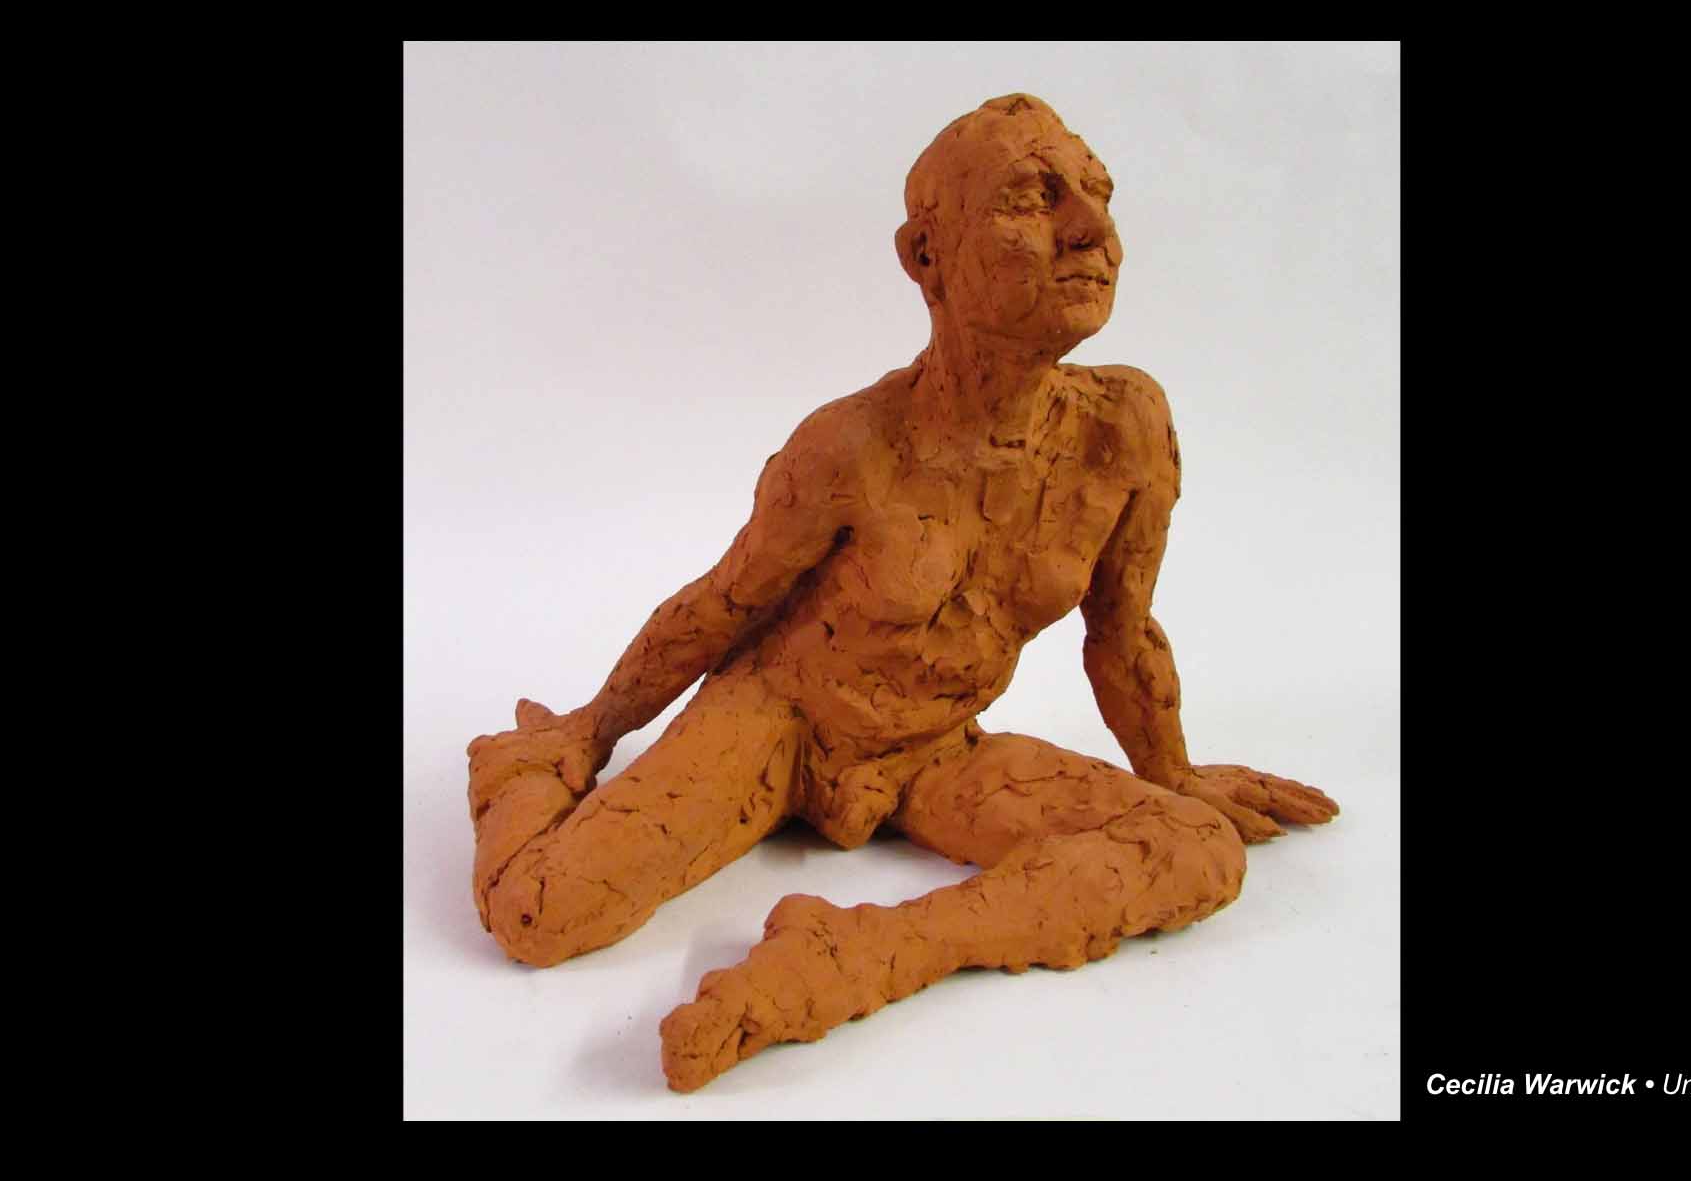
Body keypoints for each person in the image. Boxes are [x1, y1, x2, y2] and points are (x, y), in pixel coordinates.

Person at [465, 93, 1338, 1092]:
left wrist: (1174, 775)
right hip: (781, 728)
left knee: (1195, 848)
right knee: (540, 913)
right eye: (1033, 198)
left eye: (1098, 195)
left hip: (935, 751)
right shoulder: (853, 446)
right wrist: (587, 731)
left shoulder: (1125, 426)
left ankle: (860, 956)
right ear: (927, 256)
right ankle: (509, 771)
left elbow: (1123, 631)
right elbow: (722, 604)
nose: (1091, 230)